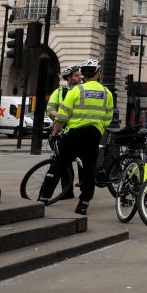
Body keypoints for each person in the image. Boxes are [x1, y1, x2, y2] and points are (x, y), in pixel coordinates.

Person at [38, 59, 114, 215]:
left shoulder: (76, 91)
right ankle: (83, 204)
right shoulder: (107, 93)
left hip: (73, 134)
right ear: (97, 73)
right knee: (88, 171)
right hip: (93, 136)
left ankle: (43, 198)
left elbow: (62, 117)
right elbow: (107, 120)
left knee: (58, 165)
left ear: (84, 74)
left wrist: (54, 134)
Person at [46, 64, 82, 199]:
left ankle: (84, 188)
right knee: (64, 163)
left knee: (83, 161)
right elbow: (50, 109)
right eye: (76, 75)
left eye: (80, 75)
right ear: (69, 78)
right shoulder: (59, 92)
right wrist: (61, 117)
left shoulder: (82, 91)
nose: (79, 78)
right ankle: (67, 191)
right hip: (62, 131)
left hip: (78, 130)